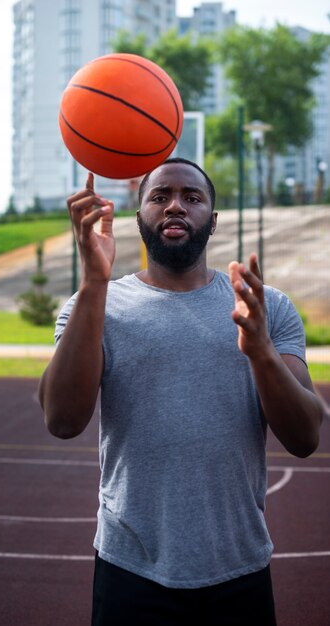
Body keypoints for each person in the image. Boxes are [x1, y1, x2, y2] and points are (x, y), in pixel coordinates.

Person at [38, 157, 323, 626]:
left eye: (192, 198)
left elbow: (305, 437)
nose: (175, 206)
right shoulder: (94, 305)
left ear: (212, 220)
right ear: (137, 217)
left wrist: (260, 352)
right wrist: (93, 280)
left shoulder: (265, 306)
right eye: (160, 196)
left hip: (239, 566)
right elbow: (63, 420)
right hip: (130, 568)